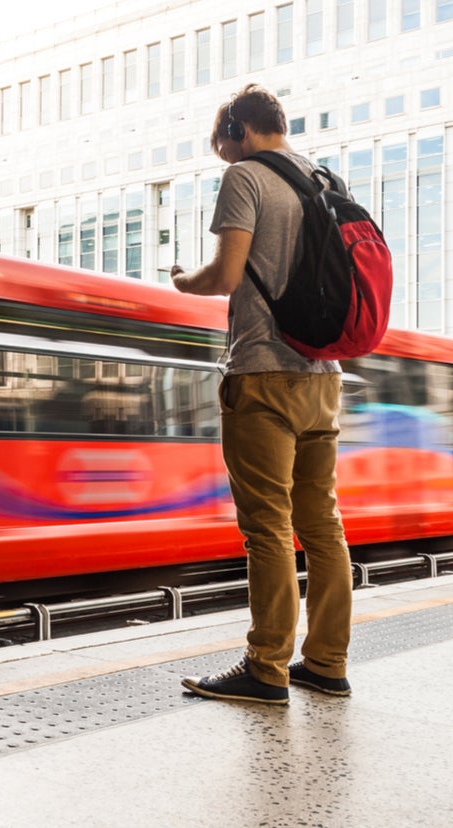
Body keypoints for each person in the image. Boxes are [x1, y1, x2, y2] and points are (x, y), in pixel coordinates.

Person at [173, 84, 353, 705]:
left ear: (238, 130)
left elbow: (224, 275)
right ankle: (327, 662)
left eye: (222, 145)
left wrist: (182, 281)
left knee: (269, 528)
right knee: (323, 527)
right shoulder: (325, 178)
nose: (223, 157)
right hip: (324, 377)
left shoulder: (247, 176)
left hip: (263, 374)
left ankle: (266, 667)